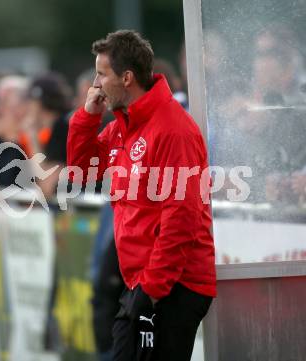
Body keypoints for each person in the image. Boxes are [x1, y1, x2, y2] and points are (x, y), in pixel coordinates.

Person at [67, 30, 216, 361]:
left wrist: (151, 289)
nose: (96, 84)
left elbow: (181, 218)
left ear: (127, 77)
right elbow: (83, 172)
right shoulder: (124, 124)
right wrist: (88, 117)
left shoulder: (172, 129)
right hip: (144, 283)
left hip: (172, 286)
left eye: (102, 74)